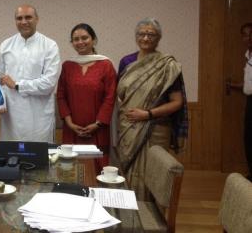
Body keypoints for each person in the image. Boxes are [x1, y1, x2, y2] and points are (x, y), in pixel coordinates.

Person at [116, 17, 188, 199]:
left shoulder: (167, 65)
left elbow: (177, 102)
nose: (146, 38)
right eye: (142, 34)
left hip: (156, 128)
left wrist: (147, 114)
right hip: (129, 128)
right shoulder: (126, 61)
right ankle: (128, 213)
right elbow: (121, 94)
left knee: (153, 174)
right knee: (127, 172)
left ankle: (151, 216)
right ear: (136, 36)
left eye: (151, 34)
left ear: (159, 38)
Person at [0, 4, 61, 142]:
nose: (24, 22)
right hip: (11, 118)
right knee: (11, 158)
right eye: (19, 18)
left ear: (37, 19)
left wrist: (18, 85)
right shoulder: (6, 45)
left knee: (38, 159)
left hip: (38, 118)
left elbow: (48, 84)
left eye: (28, 17)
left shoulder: (50, 46)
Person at [57, 24, 116, 169]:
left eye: (84, 38)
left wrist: (97, 124)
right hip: (72, 130)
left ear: (94, 40)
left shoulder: (106, 65)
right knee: (70, 169)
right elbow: (61, 96)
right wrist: (70, 123)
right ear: (72, 43)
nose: (80, 42)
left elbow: (110, 96)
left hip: (98, 130)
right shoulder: (67, 66)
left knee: (97, 169)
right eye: (76, 39)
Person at [229, 22, 252, 181]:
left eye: (251, 34)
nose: (248, 38)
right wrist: (234, 86)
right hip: (250, 101)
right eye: (245, 35)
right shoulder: (248, 55)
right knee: (248, 138)